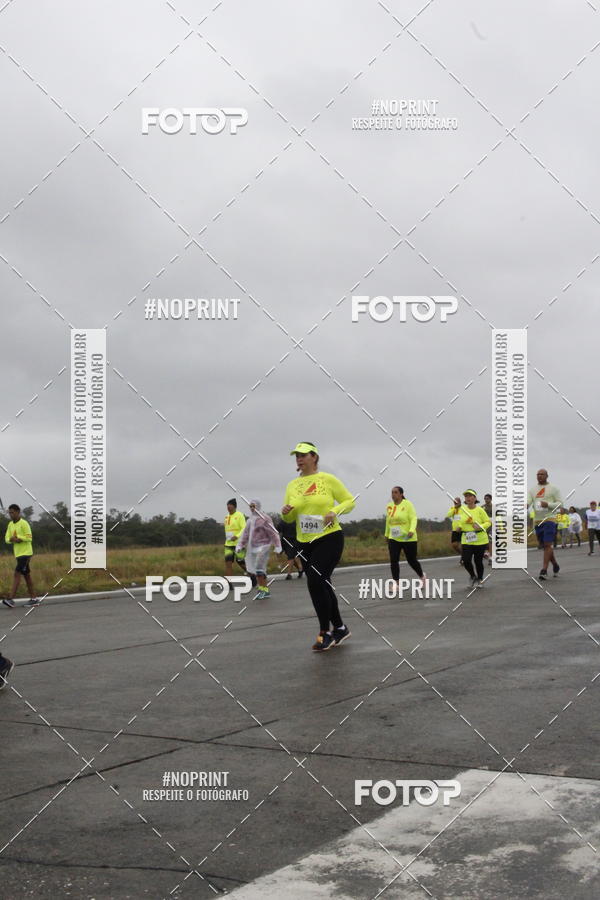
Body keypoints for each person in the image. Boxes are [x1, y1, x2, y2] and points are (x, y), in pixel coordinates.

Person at [282, 442, 355, 652]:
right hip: (304, 541)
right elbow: (289, 517)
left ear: (314, 457)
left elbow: (350, 501)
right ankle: (340, 627)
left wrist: (335, 511)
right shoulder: (292, 486)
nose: (299, 458)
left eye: (303, 454)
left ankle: (325, 632)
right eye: (296, 455)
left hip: (329, 537)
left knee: (315, 581)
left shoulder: (327, 479)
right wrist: (286, 510)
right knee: (323, 583)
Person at [236, 500, 281, 599]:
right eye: (250, 506)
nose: (252, 508)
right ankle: (263, 589)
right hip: (253, 548)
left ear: (258, 506)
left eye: (254, 506)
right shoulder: (250, 521)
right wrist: (240, 545)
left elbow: (273, 532)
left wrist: (278, 546)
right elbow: (245, 535)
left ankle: (264, 590)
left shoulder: (265, 518)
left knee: (258, 568)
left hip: (264, 547)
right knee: (256, 570)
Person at [385, 487, 426, 586]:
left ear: (401, 494)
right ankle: (396, 583)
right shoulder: (389, 506)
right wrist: (386, 534)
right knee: (393, 560)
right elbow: (388, 521)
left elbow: (413, 518)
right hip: (394, 538)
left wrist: (412, 530)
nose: (393, 494)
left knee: (411, 560)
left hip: (408, 538)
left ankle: (422, 576)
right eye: (392, 492)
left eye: (396, 492)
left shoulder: (408, 504)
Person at [527, 469, 562, 580]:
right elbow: (528, 502)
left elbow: (560, 504)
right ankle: (555, 565)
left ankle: (544, 570)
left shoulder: (554, 489)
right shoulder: (532, 489)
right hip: (538, 521)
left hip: (550, 519)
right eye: (538, 474)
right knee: (545, 546)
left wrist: (547, 504)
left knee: (547, 544)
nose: (539, 476)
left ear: (547, 476)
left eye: (542, 474)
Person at [2, 504, 39, 608]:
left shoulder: (24, 523)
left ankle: (10, 599)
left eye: (12, 512)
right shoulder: (10, 525)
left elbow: (29, 537)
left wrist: (18, 538)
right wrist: (11, 539)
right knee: (27, 576)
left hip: (26, 554)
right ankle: (34, 599)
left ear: (18, 512)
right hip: (18, 554)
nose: (10, 514)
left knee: (17, 573)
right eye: (9, 512)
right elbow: (6, 539)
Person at [454, 490, 491, 588]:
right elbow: (457, 520)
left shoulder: (480, 510)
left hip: (480, 539)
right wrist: (459, 526)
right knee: (466, 560)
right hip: (467, 538)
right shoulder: (462, 510)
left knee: (478, 561)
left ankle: (480, 579)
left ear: (475, 498)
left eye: (470, 496)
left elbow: (488, 522)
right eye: (466, 496)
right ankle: (473, 576)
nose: (468, 498)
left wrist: (480, 526)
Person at [223, 498, 250, 581]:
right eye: (227, 506)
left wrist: (237, 536)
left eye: (230, 506)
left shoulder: (239, 515)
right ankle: (229, 582)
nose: (228, 508)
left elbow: (244, 528)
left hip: (238, 544)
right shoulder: (226, 517)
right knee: (228, 563)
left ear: (234, 507)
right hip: (228, 545)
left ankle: (252, 575)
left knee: (241, 563)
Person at [482, 493, 493, 566]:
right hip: (484, 527)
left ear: (490, 499)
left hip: (492, 527)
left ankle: (491, 557)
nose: (486, 500)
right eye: (485, 499)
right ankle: (487, 554)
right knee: (484, 542)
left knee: (490, 542)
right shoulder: (482, 507)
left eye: (487, 498)